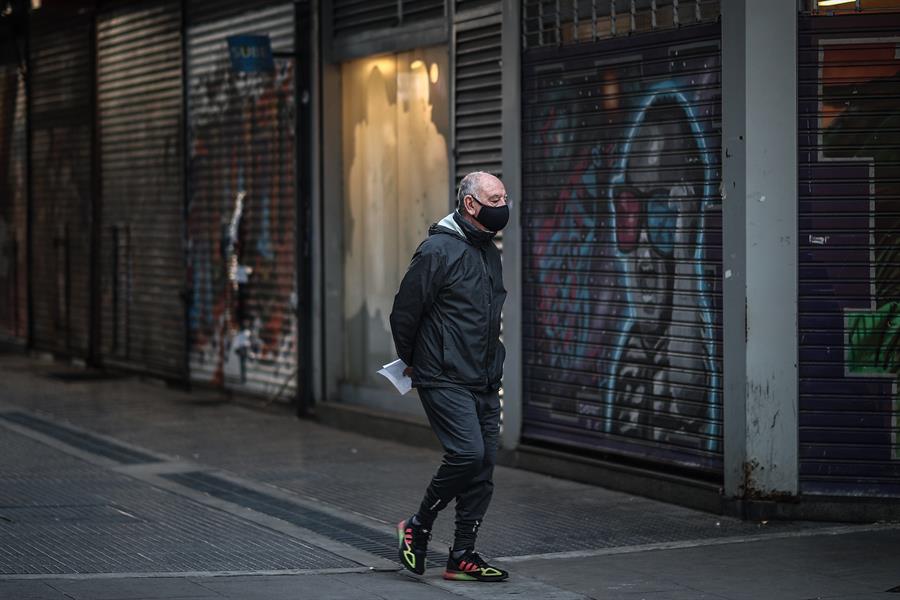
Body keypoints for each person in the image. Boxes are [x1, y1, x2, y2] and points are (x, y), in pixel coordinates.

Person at [389, 171, 510, 582]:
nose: (503, 207)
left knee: (483, 467)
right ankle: (417, 527)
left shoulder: (488, 251)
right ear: (471, 204)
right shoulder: (437, 251)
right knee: (466, 454)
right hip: (442, 375)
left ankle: (462, 554)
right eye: (495, 199)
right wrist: (415, 360)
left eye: (505, 198)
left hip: (484, 377)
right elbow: (405, 312)